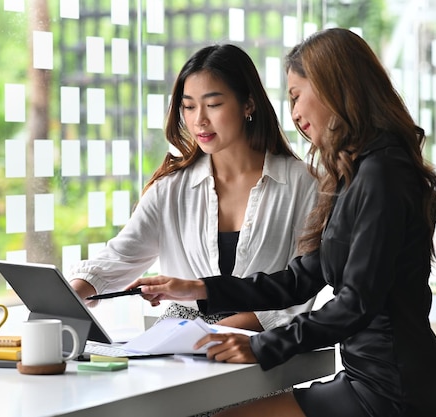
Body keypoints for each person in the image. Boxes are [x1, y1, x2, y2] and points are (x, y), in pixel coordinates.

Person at [127, 28, 436, 417]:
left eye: (297, 95)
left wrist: (262, 346)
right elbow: (302, 277)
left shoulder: (383, 174)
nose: (295, 114)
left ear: (335, 88)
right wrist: (197, 289)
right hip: (369, 378)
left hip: (395, 391)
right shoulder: (359, 173)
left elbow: (357, 303)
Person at [68, 43, 318, 333]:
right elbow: (118, 258)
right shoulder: (170, 190)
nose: (199, 119)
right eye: (188, 106)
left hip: (256, 356)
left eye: (213, 105)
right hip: (179, 351)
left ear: (248, 104)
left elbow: (299, 296)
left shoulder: (303, 183)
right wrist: (71, 294)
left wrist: (211, 335)